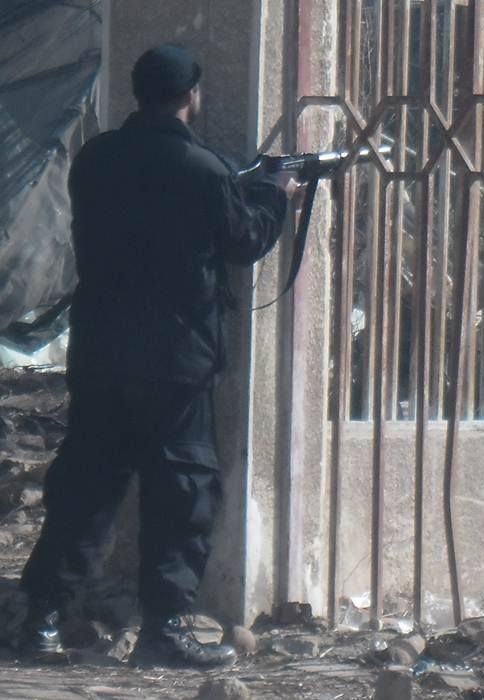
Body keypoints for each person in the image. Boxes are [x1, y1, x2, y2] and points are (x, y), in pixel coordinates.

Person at [16, 43, 299, 668]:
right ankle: (164, 629)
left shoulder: (96, 159)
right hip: (175, 361)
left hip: (102, 353)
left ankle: (42, 621)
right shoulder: (203, 170)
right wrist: (276, 194)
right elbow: (245, 240)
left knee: (85, 490)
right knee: (181, 495)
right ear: (191, 96)